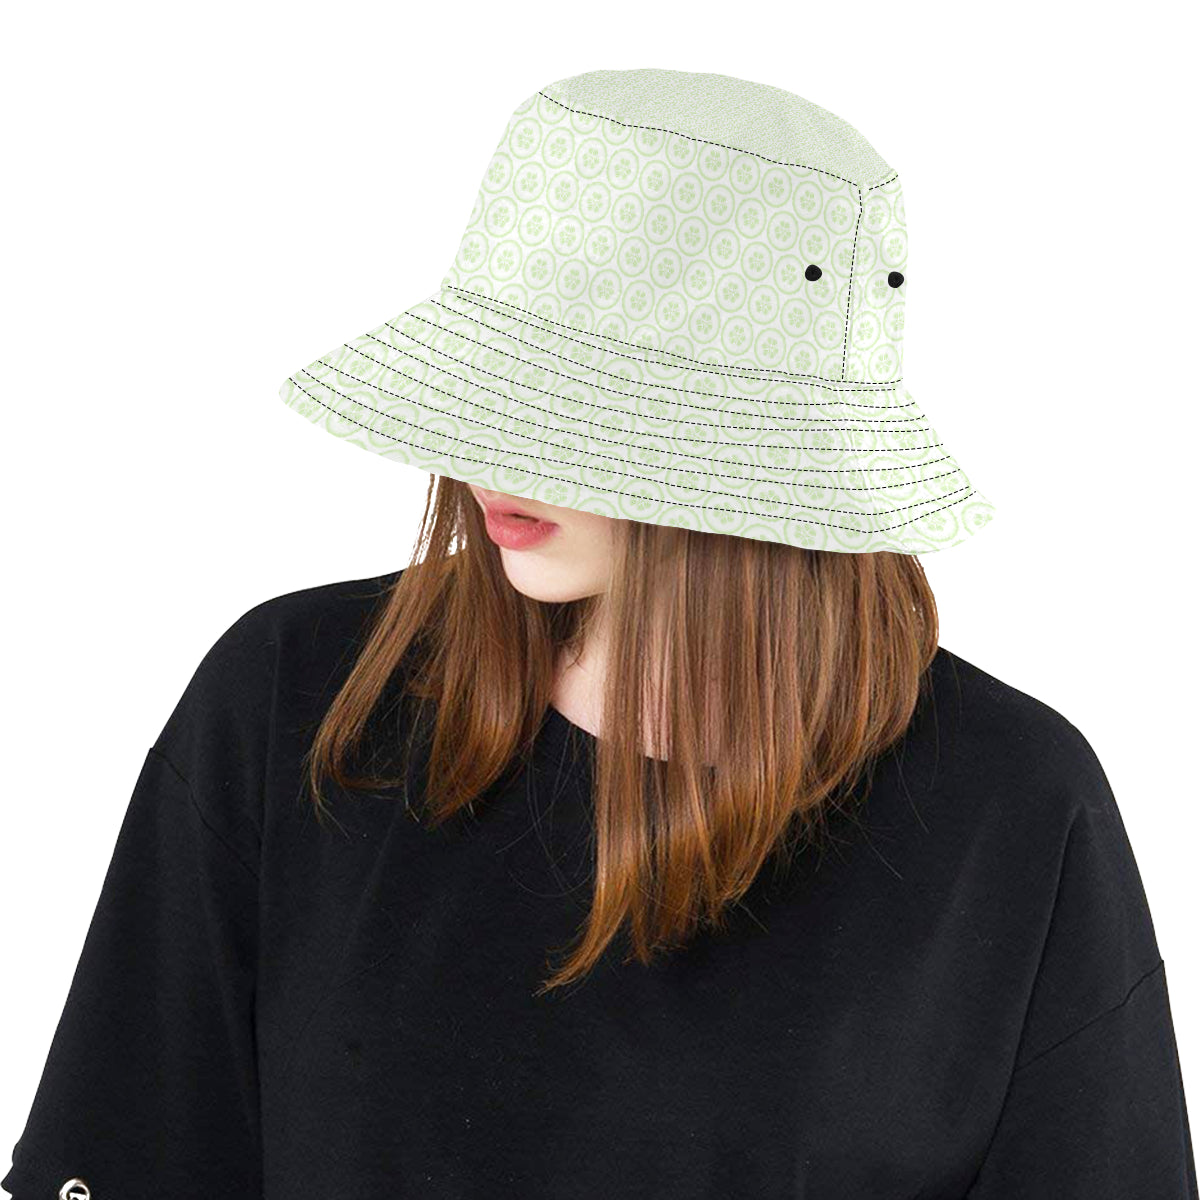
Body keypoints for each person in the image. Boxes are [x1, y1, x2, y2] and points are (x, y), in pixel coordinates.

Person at [4, 68, 1196, 1200]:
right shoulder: (303, 700)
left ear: (758, 447)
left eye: (573, 408)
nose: (489, 452)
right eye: (493, 380)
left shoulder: (1010, 809)